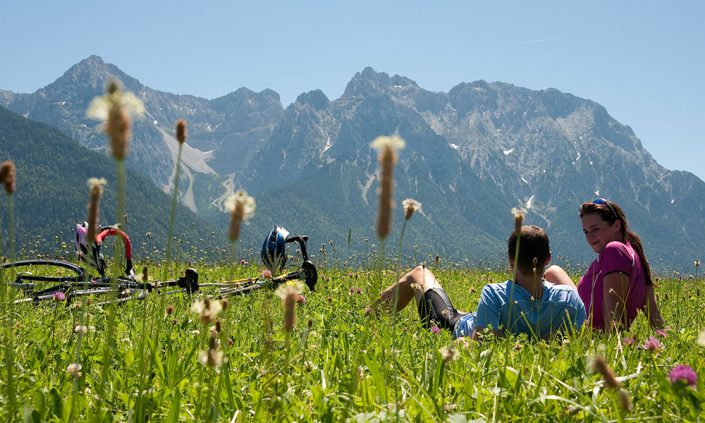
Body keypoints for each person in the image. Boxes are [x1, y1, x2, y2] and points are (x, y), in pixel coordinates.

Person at [367, 225, 586, 339]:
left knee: (419, 273)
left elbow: (480, 339)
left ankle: (365, 321)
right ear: (547, 258)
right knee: (467, 313)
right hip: (481, 317)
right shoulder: (569, 299)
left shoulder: (495, 294)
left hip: (452, 325)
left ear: (510, 259)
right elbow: (575, 339)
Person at [544, 199, 665, 332]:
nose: (590, 236)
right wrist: (663, 337)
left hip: (586, 331)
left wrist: (612, 346)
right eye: (586, 232)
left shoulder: (614, 249)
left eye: (595, 229)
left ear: (616, 226)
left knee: (550, 275)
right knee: (554, 271)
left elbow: (614, 312)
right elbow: (653, 312)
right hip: (584, 320)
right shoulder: (634, 253)